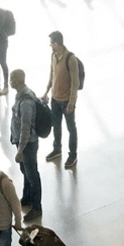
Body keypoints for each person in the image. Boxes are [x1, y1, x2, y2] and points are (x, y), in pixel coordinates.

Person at [42, 31, 80, 168]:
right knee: (56, 126)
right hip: (55, 99)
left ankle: (72, 155)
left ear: (57, 43)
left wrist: (72, 102)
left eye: (52, 42)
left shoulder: (71, 59)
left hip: (66, 101)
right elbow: (52, 74)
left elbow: (75, 83)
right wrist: (47, 91)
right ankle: (57, 149)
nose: (50, 45)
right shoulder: (53, 55)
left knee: (71, 128)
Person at [9, 70, 42, 221]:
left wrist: (20, 150)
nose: (10, 82)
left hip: (27, 144)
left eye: (12, 79)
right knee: (25, 171)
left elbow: (25, 128)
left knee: (32, 175)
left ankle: (36, 207)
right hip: (22, 142)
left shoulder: (26, 102)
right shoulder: (21, 96)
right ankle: (27, 197)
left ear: (18, 80)